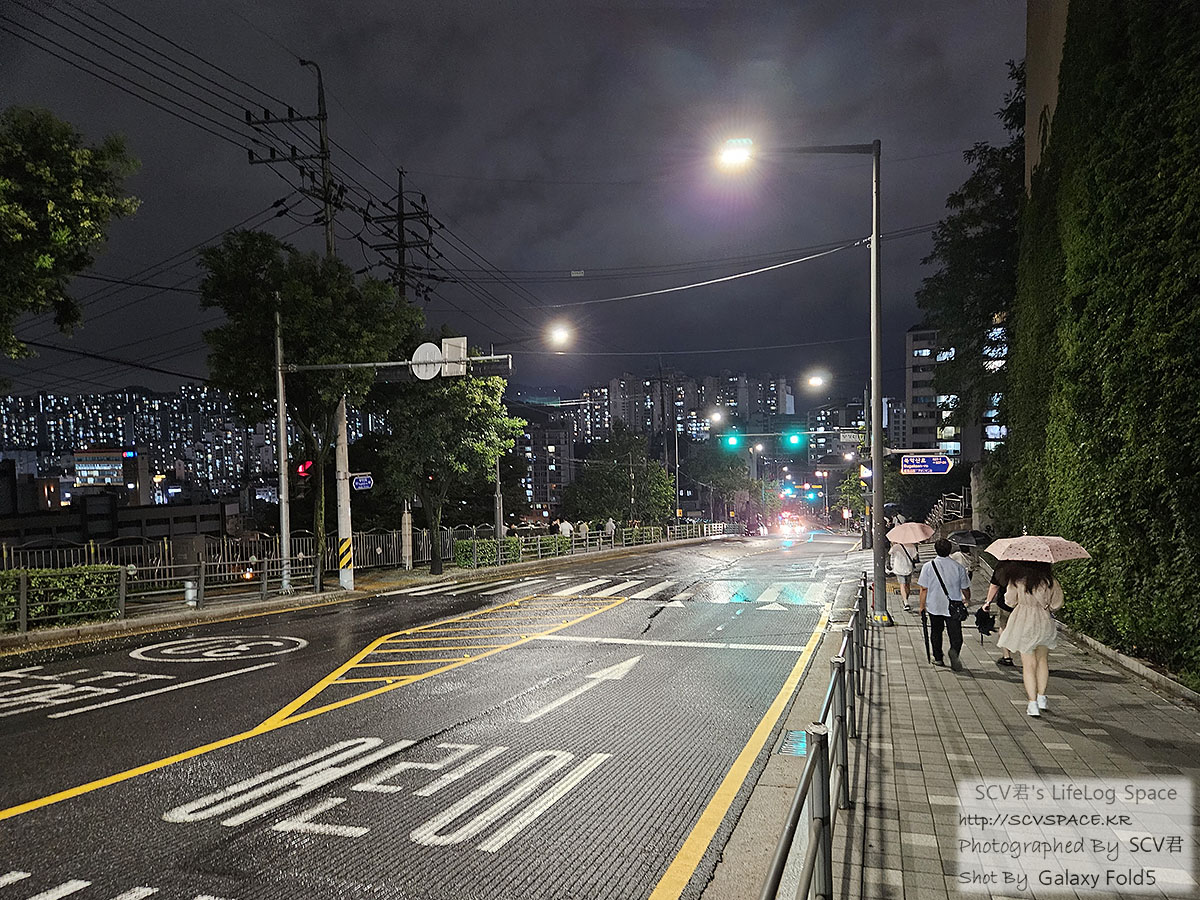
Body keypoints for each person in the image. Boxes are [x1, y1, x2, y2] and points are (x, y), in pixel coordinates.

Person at [995, 560, 1064, 717]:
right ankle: (1042, 698)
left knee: (1028, 665)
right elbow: (1057, 604)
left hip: (1023, 620)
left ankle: (1032, 703)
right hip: (1044, 621)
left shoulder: (1017, 581)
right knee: (1042, 661)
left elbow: (1009, 601)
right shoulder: (1051, 581)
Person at [917, 539, 972, 671]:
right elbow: (965, 588)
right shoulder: (958, 567)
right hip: (953, 606)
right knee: (956, 634)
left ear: (935, 550)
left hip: (934, 605)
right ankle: (954, 651)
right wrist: (967, 599)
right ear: (950, 550)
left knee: (936, 632)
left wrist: (922, 606)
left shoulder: (928, 566)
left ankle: (938, 658)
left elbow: (923, 589)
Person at [981, 559, 1016, 666]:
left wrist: (988, 602)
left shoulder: (1004, 565)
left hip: (1006, 603)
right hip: (1026, 605)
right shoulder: (1031, 564)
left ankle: (1007, 657)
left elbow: (994, 585)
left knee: (1004, 627)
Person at [888, 541, 918, 612]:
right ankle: (905, 600)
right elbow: (915, 557)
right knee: (907, 585)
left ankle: (905, 602)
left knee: (902, 585)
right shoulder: (912, 546)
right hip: (908, 568)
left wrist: (892, 544)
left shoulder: (896, 547)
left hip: (899, 568)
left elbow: (890, 553)